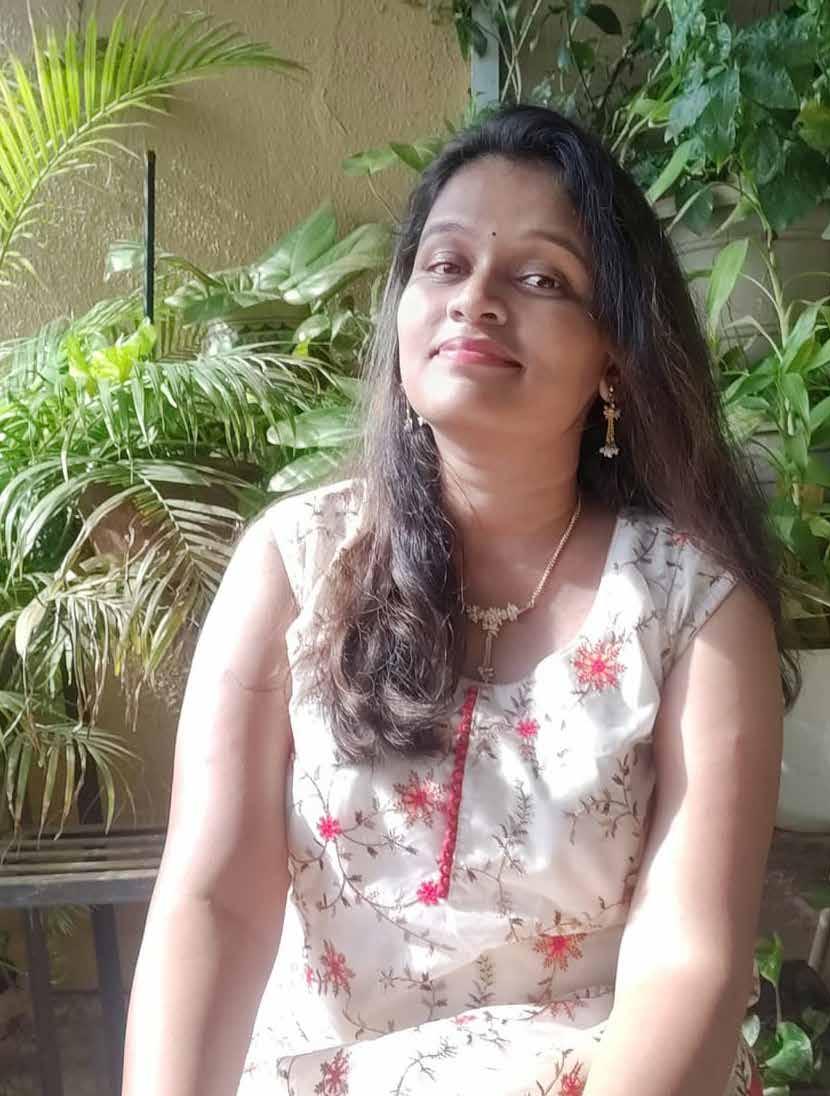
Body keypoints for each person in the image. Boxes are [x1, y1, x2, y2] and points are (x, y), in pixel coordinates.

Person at [121, 102, 795, 1096]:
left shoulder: (691, 606)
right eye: (444, 265)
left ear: (614, 348)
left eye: (540, 278)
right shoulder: (294, 567)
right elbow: (214, 899)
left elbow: (689, 959)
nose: (475, 299)